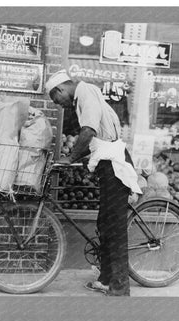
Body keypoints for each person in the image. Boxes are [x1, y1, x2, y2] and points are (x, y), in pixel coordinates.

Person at [45, 69, 141, 296]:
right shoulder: (83, 96)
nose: (59, 105)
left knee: (115, 227)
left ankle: (120, 287)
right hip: (107, 162)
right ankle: (106, 279)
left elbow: (88, 131)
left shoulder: (86, 92)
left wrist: (70, 158)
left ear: (61, 89)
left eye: (55, 99)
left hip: (114, 165)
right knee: (105, 224)